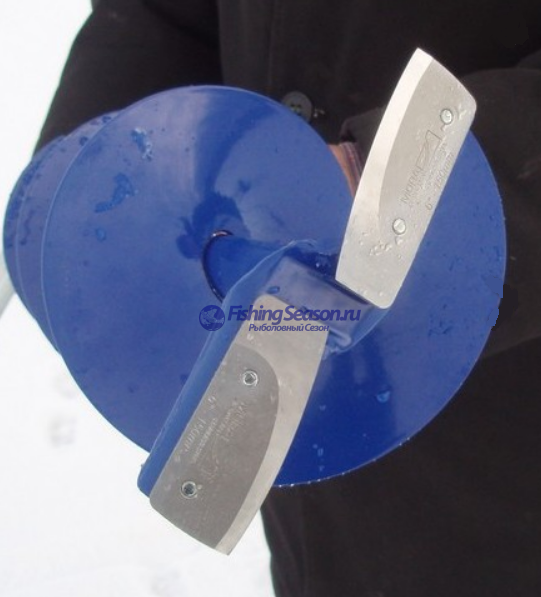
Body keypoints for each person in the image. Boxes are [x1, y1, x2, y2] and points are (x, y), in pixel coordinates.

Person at [35, 1, 541, 595]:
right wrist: (85, 169)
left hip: (498, 427)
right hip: (290, 411)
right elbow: (162, 14)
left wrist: (403, 193)